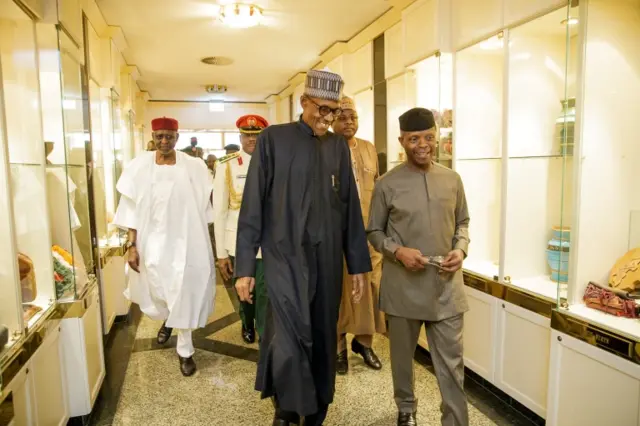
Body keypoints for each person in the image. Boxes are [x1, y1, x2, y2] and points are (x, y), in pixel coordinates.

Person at [234, 69, 371, 426]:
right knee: (288, 335)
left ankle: (317, 408)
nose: (326, 118)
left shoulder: (338, 146)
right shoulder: (273, 140)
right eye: (321, 109)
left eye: (334, 112)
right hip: (283, 257)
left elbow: (350, 208)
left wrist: (357, 265)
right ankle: (286, 408)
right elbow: (252, 205)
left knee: (324, 332)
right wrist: (245, 268)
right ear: (304, 102)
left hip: (326, 261)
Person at [367, 108, 470, 426]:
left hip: (446, 287)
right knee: (402, 358)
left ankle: (454, 419)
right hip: (403, 288)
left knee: (452, 363)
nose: (423, 145)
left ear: (437, 138)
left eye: (428, 137)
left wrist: (460, 249)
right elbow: (374, 231)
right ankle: (407, 409)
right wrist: (397, 252)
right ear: (402, 141)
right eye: (414, 139)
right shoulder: (387, 184)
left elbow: (463, 222)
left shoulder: (452, 179)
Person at [112, 116, 216, 377]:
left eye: (169, 136)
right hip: (152, 243)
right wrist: (132, 245)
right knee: (158, 288)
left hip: (186, 243)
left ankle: (185, 351)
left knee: (184, 291)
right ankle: (170, 320)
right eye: (159, 136)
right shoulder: (139, 167)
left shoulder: (194, 167)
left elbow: (204, 208)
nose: (164, 141)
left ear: (177, 137)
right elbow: (131, 210)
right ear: (153, 136)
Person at [331, 96, 385, 374]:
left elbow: (377, 187)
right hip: (336, 234)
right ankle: (338, 346)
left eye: (352, 117)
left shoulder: (368, 148)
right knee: (340, 290)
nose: (348, 122)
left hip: (368, 231)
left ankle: (364, 343)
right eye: (341, 117)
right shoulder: (324, 148)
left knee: (372, 286)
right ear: (332, 121)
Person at [213, 114, 269, 344]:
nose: (252, 140)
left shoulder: (274, 161)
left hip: (268, 242)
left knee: (265, 291)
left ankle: (265, 331)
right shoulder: (226, 165)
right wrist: (221, 254)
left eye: (256, 135)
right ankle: (247, 323)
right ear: (240, 136)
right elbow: (219, 211)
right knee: (245, 291)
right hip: (239, 242)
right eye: (247, 135)